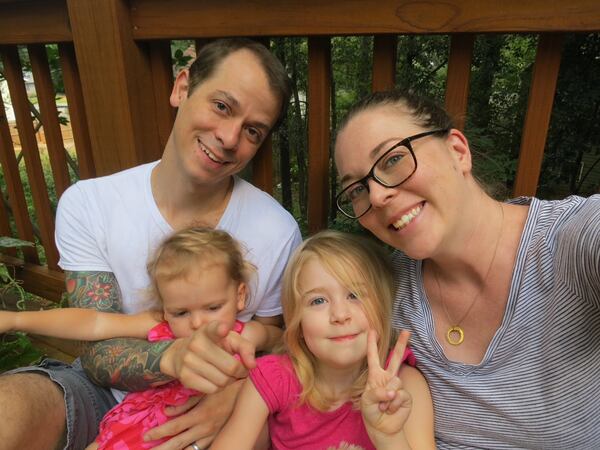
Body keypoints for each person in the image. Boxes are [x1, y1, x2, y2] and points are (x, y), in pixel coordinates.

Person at [0, 38, 302, 450]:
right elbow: (95, 342)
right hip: (101, 392)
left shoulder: (276, 230)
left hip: (218, 406)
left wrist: (240, 395)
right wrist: (171, 358)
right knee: (8, 410)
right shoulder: (90, 203)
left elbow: (280, 340)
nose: (230, 137)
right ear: (182, 88)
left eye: (252, 130)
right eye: (221, 106)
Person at [333, 89, 600, 448]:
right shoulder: (386, 290)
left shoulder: (570, 241)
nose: (377, 196)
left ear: (457, 152)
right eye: (356, 189)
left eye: (393, 159)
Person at [1, 227, 281, 449]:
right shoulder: (162, 324)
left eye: (213, 308)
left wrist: (248, 372)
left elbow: (285, 343)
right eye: (181, 311)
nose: (197, 322)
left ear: (240, 295)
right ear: (165, 308)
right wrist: (15, 320)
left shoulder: (245, 334)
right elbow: (94, 322)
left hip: (205, 432)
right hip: (137, 427)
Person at [212, 230, 435, 450]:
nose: (339, 315)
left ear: (383, 307)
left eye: (354, 295)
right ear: (297, 322)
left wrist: (389, 438)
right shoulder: (274, 378)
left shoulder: (403, 384)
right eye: (318, 301)